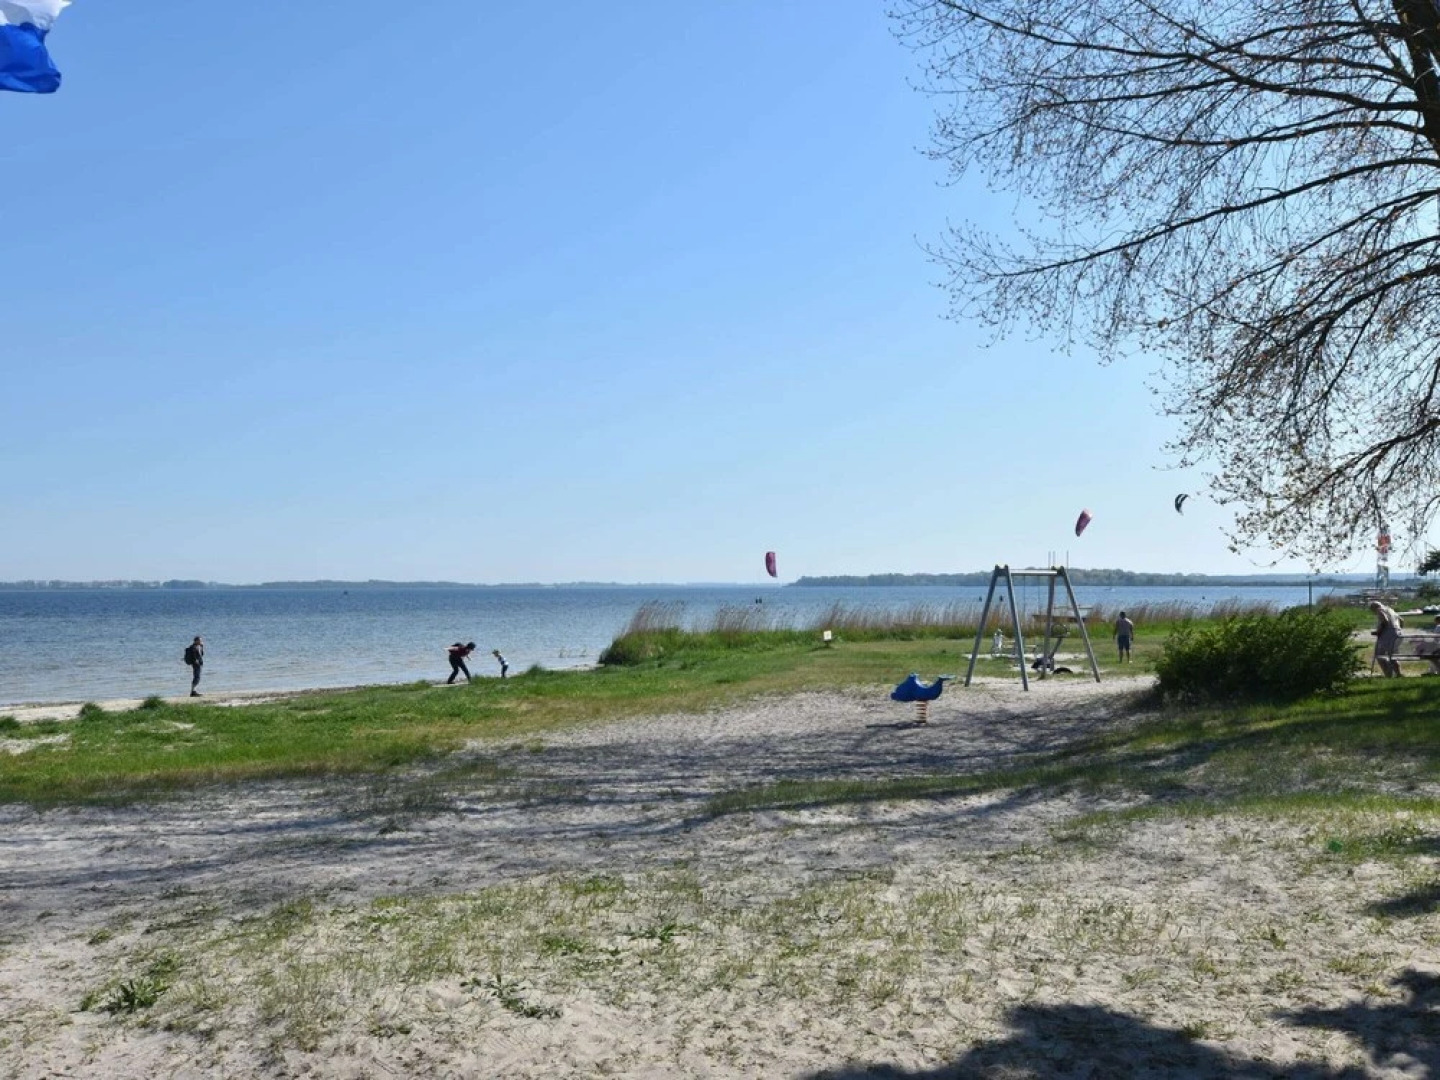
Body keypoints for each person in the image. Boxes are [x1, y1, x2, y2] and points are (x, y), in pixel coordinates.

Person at [1369, 600, 1404, 677]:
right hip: (1398, 634)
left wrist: (1378, 631)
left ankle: (1388, 674)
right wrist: (1397, 629)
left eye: (1372, 611)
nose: (1374, 613)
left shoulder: (1379, 610)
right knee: (1393, 655)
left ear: (1374, 608)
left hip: (1388, 635)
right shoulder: (1391, 610)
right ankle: (1398, 674)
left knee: (1379, 654)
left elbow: (1385, 620)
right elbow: (1401, 620)